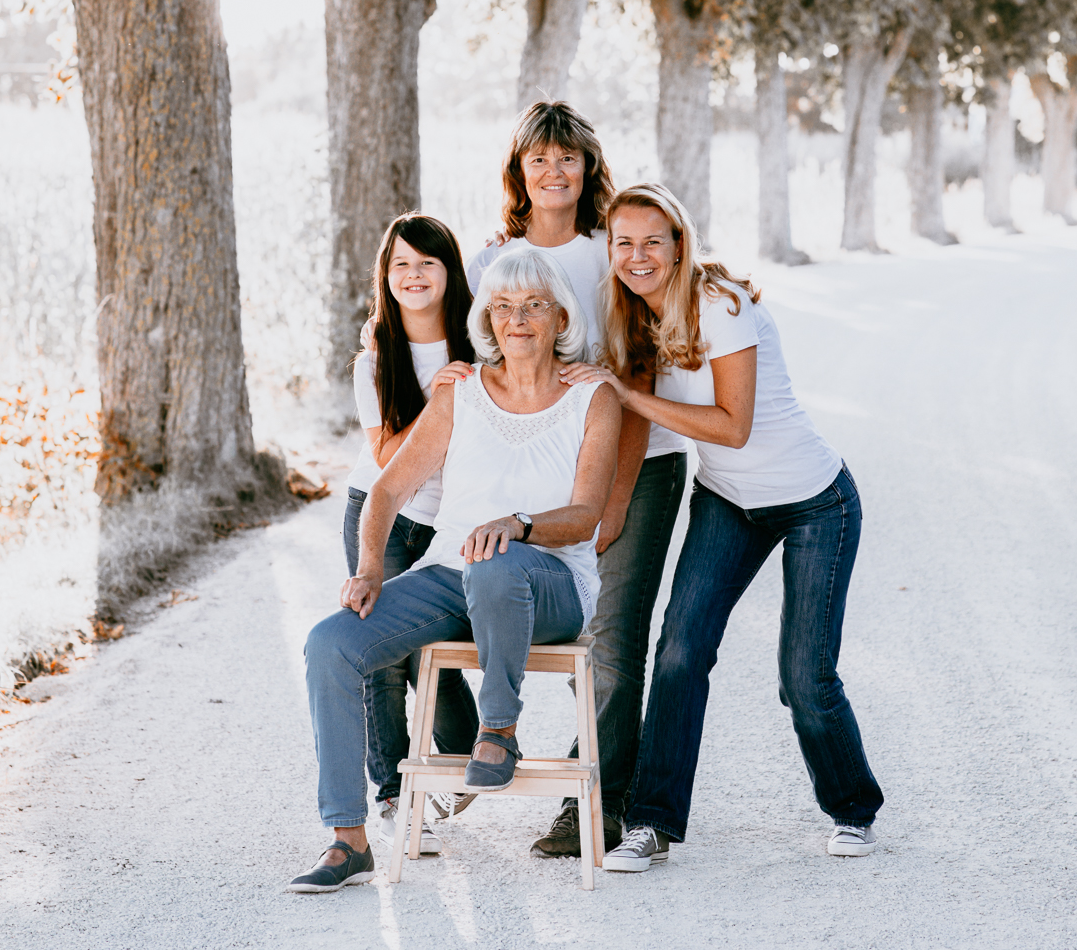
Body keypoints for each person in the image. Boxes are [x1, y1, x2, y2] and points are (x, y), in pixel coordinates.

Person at [560, 183, 884, 872]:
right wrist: (610, 511)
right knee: (679, 653)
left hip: (812, 501)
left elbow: (732, 428)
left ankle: (852, 809)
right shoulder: (629, 312)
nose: (637, 255)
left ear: (679, 242)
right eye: (624, 242)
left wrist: (627, 392)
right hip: (727, 502)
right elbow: (637, 416)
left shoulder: (719, 305)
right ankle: (651, 823)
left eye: (653, 240)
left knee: (804, 679)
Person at [287, 250, 620, 893]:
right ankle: (348, 839)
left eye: (532, 306)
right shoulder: (460, 392)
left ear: (559, 318)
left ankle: (498, 729)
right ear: (487, 320)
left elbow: (584, 516)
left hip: (550, 582)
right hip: (454, 573)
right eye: (502, 307)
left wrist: (518, 525)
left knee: (495, 562)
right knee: (330, 643)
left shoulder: (592, 396)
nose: (516, 320)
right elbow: (384, 491)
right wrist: (371, 570)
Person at [467, 102, 691, 860]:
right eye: (539, 158)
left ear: (588, 167)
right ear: (518, 170)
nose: (554, 172)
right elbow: (471, 355)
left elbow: (634, 372)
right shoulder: (493, 258)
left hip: (635, 468)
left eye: (568, 158)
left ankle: (595, 802)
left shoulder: (608, 255)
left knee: (614, 641)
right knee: (548, 630)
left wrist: (615, 498)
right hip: (538, 483)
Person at [347, 213, 479, 855]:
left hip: (454, 516)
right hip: (385, 512)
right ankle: (393, 796)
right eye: (400, 265)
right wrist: (440, 399)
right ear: (386, 277)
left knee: (434, 650)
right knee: (380, 649)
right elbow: (387, 462)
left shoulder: (480, 341)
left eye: (427, 262)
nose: (414, 275)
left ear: (451, 271)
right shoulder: (376, 360)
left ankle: (463, 758)